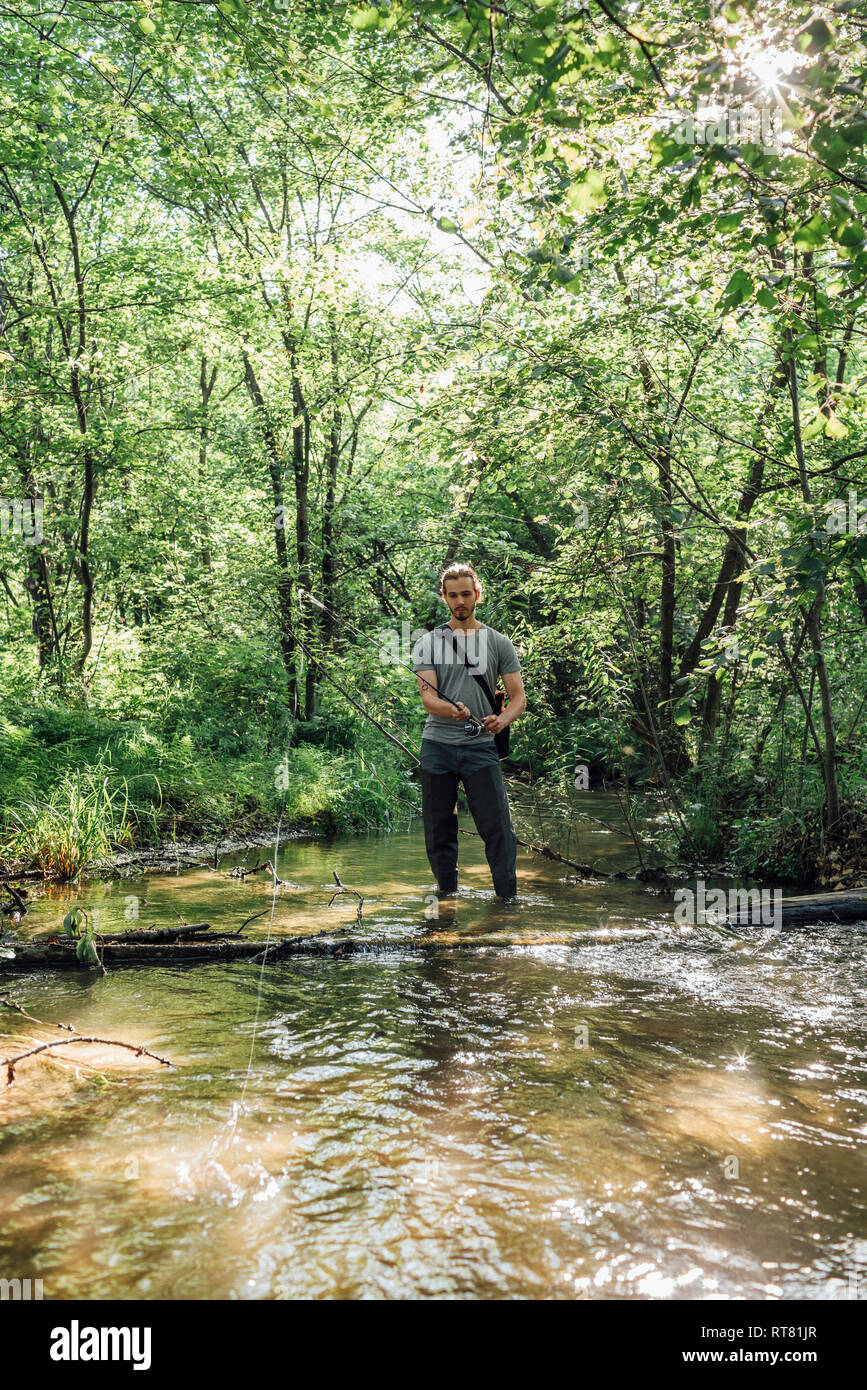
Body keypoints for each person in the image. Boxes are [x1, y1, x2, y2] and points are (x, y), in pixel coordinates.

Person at [412, 562, 526, 903]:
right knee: (438, 831)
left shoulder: (499, 643)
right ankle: (446, 900)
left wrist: (502, 720)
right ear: (444, 598)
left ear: (477, 595)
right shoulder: (427, 643)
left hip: (481, 747)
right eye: (452, 595)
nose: (460, 601)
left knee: (498, 831)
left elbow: (519, 697)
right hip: (437, 746)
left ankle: (507, 903)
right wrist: (452, 710)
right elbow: (428, 698)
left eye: (465, 594)